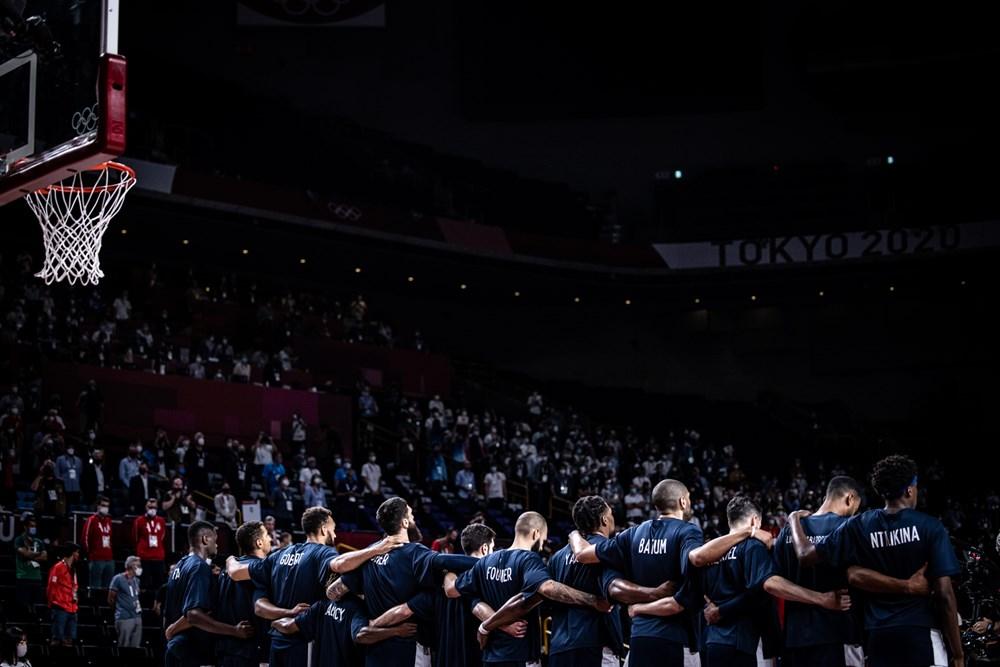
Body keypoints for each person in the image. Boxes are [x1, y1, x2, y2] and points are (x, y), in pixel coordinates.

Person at [566, 479, 769, 667]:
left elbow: (583, 554)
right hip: (676, 638)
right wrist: (747, 532)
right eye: (688, 498)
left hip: (639, 637)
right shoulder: (688, 531)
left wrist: (574, 533)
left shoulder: (632, 534)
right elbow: (697, 557)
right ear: (682, 501)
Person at [633, 495, 852, 667]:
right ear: (755, 520)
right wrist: (822, 599)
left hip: (709, 642)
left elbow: (689, 595)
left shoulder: (710, 551)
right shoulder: (752, 547)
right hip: (739, 643)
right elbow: (765, 586)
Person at [788, 455, 964, 667]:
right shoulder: (930, 527)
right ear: (910, 490)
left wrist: (793, 519)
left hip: (878, 636)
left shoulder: (857, 525)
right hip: (921, 633)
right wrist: (958, 653)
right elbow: (945, 595)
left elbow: (805, 555)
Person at [227, 506, 403, 667]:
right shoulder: (323, 553)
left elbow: (235, 573)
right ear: (324, 529)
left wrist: (229, 560)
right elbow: (340, 565)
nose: (335, 536)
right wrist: (377, 549)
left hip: (276, 640)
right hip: (303, 643)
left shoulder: (280, 554)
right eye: (333, 530)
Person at [328, 497, 478, 666]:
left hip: (374, 652)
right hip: (408, 649)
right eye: (412, 516)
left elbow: (334, 591)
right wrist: (487, 562)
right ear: (405, 522)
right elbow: (446, 561)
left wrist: (361, 615)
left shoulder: (368, 554)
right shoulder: (415, 552)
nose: (414, 519)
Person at [446, 511, 608, 667]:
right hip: (521, 655)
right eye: (543, 539)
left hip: (491, 657)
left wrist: (446, 571)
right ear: (536, 533)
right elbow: (547, 588)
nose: (543, 544)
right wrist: (592, 600)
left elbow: (453, 591)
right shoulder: (529, 559)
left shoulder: (485, 562)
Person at [772, 476, 868, 667]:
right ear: (849, 499)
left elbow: (773, 582)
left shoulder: (789, 531)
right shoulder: (849, 526)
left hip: (795, 637)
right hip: (839, 635)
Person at [163, 521, 254, 667]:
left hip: (175, 648)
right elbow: (193, 615)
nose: (217, 545)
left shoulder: (180, 565)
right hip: (189, 650)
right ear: (205, 539)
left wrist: (171, 630)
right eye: (215, 540)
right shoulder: (199, 567)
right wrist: (234, 630)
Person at [271, 593, 416, 667]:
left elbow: (287, 626)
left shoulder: (322, 604)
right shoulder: (357, 607)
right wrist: (396, 631)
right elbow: (361, 635)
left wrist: (273, 622)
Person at [214, 521, 273, 667]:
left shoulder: (225, 571)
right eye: (267, 535)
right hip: (252, 651)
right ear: (259, 543)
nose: (270, 539)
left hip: (225, 649)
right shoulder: (260, 569)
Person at [47, 543, 81, 647]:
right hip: (60, 608)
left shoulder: (73, 569)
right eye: (77, 552)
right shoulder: (58, 567)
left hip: (72, 609)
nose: (78, 555)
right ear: (72, 553)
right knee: (57, 639)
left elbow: (74, 587)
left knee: (69, 640)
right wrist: (52, 604)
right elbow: (51, 586)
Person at [14, 514, 47, 617]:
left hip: (36, 578)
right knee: (23, 608)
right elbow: (25, 553)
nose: (34, 528)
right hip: (23, 577)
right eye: (31, 526)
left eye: (34, 526)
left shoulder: (39, 541)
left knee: (36, 608)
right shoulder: (19, 540)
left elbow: (45, 557)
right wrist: (37, 555)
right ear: (25, 527)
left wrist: (30, 556)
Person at [108, 556, 143, 648]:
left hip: (137, 617)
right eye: (138, 565)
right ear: (131, 566)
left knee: (136, 646)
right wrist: (119, 610)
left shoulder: (137, 580)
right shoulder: (118, 579)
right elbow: (111, 598)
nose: (140, 568)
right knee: (124, 645)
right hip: (124, 617)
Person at [133, 497, 167, 591]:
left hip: (158, 557)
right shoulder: (139, 521)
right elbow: (135, 538)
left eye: (154, 507)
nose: (152, 509)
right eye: (150, 507)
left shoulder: (161, 521)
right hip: (144, 557)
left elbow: (162, 537)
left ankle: (157, 604)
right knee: (143, 583)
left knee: (159, 584)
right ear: (145, 507)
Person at [81, 496, 115, 590]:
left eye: (107, 506)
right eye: (103, 505)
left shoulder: (109, 520)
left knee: (108, 587)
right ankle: (95, 604)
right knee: (95, 587)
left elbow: (111, 538)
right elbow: (85, 538)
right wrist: (90, 554)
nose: (105, 508)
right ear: (98, 506)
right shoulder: (91, 520)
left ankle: (105, 604)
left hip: (109, 558)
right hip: (96, 558)